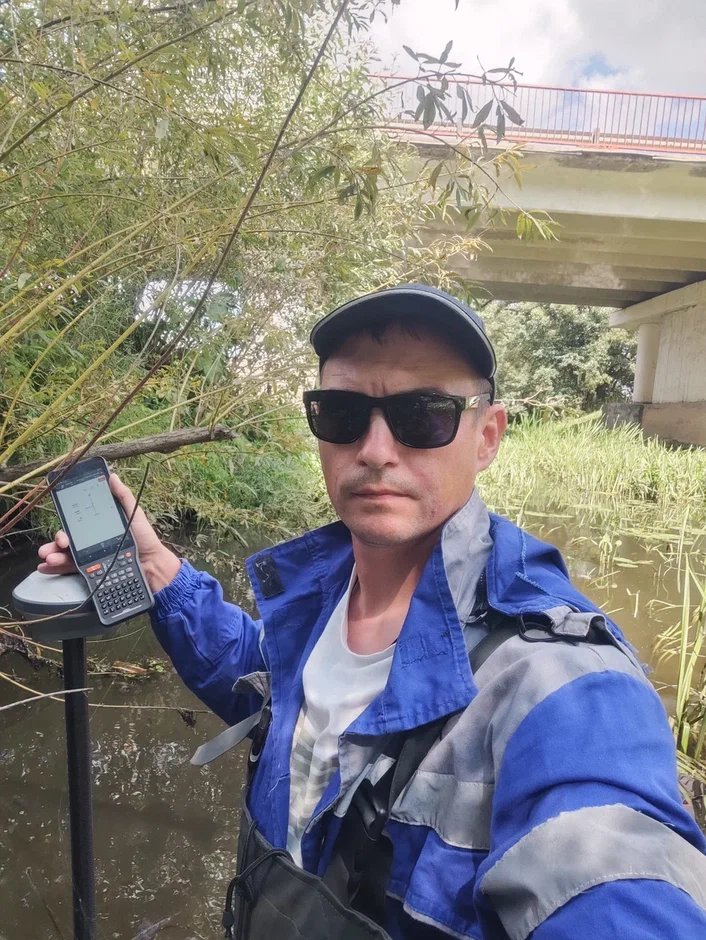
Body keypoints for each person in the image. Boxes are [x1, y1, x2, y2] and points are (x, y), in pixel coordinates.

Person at [39, 284, 706, 940]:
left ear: (487, 436)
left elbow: (615, 875)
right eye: (343, 413)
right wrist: (160, 571)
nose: (377, 450)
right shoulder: (321, 594)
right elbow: (271, 691)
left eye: (424, 414)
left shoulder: (565, 683)